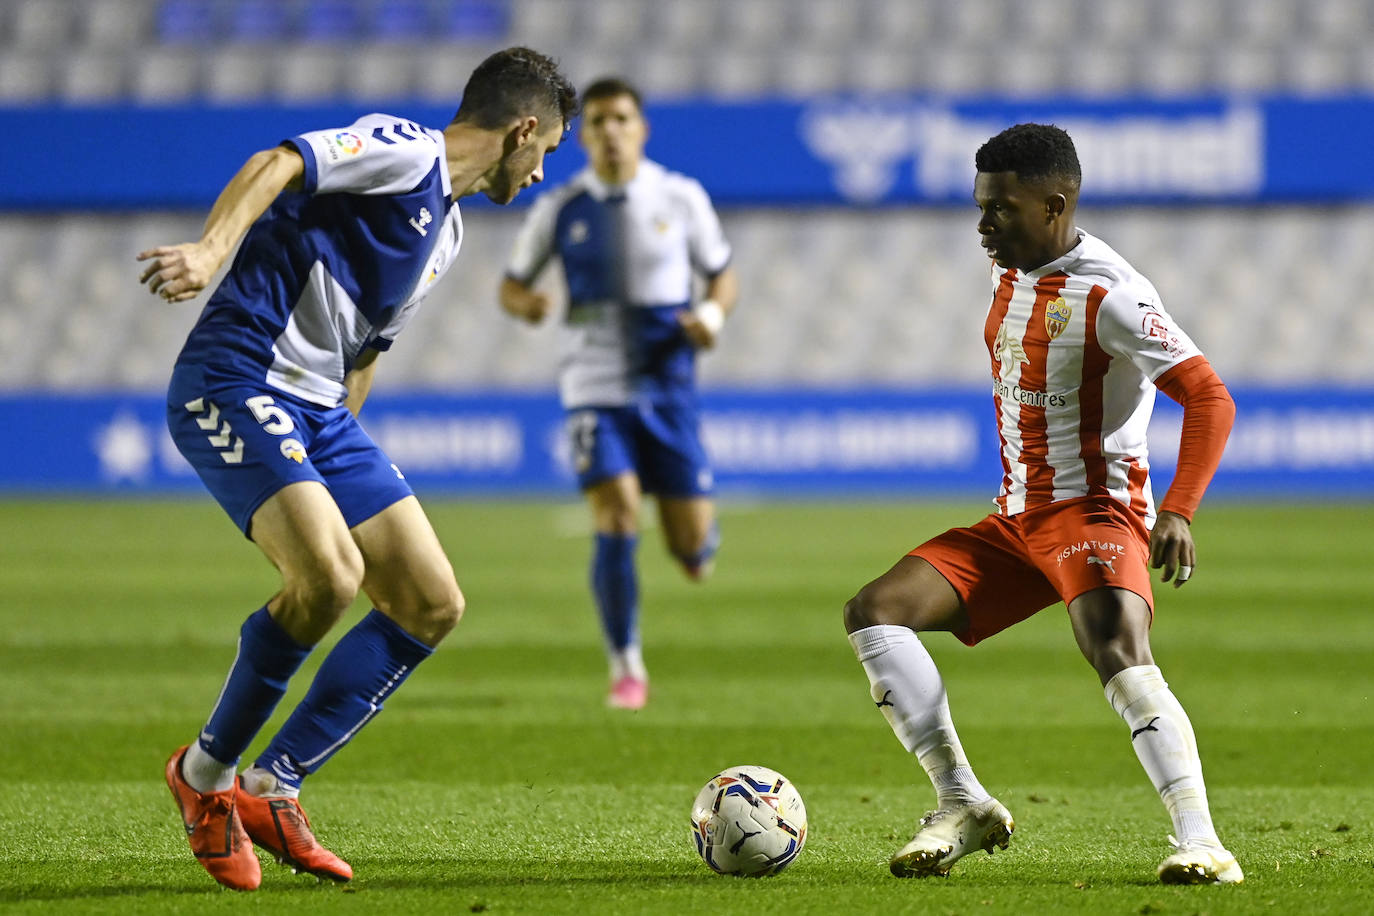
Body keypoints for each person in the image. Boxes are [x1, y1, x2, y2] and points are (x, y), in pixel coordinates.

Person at [135, 47, 576, 891]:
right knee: (330, 578)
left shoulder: (445, 229)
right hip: (238, 377)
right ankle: (203, 777)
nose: (543, 168)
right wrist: (210, 249)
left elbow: (365, 349)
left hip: (320, 414)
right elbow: (280, 161)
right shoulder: (405, 149)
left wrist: (328, 465)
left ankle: (274, 782)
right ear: (522, 128)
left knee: (429, 601)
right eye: (548, 149)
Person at [843, 123, 1242, 885]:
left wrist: (1180, 510)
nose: (984, 226)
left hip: (1093, 511)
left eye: (1001, 209)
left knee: (1115, 649)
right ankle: (963, 802)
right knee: (875, 611)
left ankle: (1202, 841)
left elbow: (1209, 398)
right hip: (1016, 517)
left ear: (1055, 205)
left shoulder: (1112, 295)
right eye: (981, 207)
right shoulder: (1016, 271)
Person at [499, 77, 738, 711]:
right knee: (618, 515)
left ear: (641, 128)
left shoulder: (680, 196)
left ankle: (694, 546)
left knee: (689, 544)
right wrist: (528, 305)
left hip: (669, 381)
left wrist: (710, 319)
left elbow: (721, 276)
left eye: (621, 119)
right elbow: (513, 284)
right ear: (586, 136)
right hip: (592, 383)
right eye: (598, 121)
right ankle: (626, 665)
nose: (609, 130)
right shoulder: (561, 206)